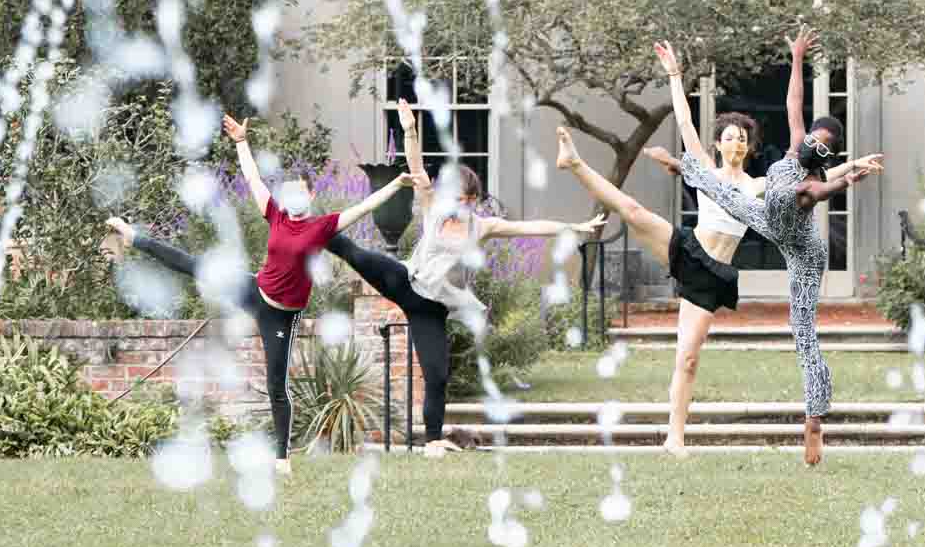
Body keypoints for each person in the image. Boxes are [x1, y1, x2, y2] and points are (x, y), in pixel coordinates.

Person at [622, 27, 880, 466]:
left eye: (821, 144)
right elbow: (793, 104)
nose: (813, 141)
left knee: (803, 334)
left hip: (801, 250)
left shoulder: (805, 183)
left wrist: (845, 177)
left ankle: (815, 418)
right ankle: (681, 166)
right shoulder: (793, 155)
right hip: (764, 221)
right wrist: (797, 59)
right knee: (723, 192)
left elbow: (821, 190)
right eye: (816, 138)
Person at [106, 113, 408, 474]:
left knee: (276, 383)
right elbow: (252, 178)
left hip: (281, 314)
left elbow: (365, 207)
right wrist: (241, 142)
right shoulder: (276, 215)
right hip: (255, 289)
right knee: (194, 266)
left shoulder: (322, 228)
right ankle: (133, 236)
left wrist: (397, 184)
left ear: (312, 195)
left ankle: (282, 458)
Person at [333, 97, 603, 456]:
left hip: (431, 309)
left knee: (437, 375)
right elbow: (415, 167)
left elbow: (529, 227)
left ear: (476, 201)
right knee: (358, 253)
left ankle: (433, 441)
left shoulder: (482, 225)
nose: (462, 206)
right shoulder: (433, 208)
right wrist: (411, 130)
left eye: (469, 201)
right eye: (458, 199)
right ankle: (307, 231)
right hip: (407, 283)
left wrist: (575, 226)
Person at [552, 42, 762, 452]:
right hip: (688, 248)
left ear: (748, 148)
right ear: (718, 144)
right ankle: (574, 162)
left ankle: (674, 437)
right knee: (631, 208)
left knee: (688, 359)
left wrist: (845, 170)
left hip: (711, 276)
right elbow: (684, 122)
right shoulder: (706, 171)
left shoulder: (757, 186)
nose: (735, 144)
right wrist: (674, 76)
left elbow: (804, 186)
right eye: (729, 138)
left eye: (742, 139)